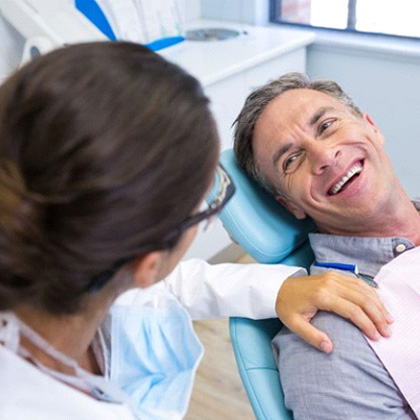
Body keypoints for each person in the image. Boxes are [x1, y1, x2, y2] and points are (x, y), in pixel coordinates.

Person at [0, 44, 390, 420]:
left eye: (327, 125)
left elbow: (173, 286)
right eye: (210, 198)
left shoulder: (74, 278)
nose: (325, 156)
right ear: (146, 265)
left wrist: (277, 289)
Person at [233, 72, 420, 419]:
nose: (324, 155)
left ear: (371, 128)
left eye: (327, 125)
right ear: (290, 205)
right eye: (292, 160)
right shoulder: (332, 346)